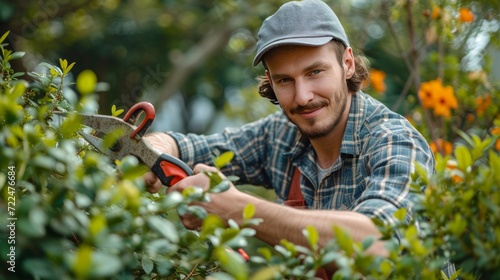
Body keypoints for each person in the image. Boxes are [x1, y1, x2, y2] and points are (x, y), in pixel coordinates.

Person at [144, 0, 450, 276]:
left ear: (347, 63)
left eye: (315, 72)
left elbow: (378, 243)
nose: (302, 97)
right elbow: (189, 147)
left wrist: (234, 207)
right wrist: (153, 149)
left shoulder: (395, 141)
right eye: (285, 80)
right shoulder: (280, 135)